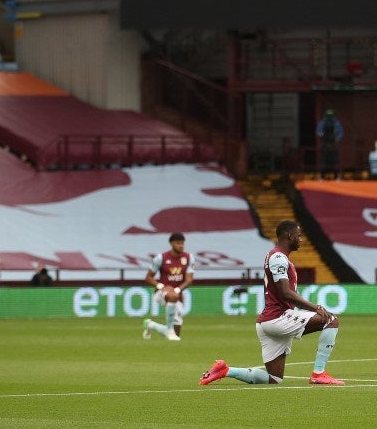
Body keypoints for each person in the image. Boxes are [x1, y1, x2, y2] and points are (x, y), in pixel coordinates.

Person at [199, 219, 344, 386]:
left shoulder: (279, 258)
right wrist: (315, 307)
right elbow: (285, 293)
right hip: (277, 318)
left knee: (273, 379)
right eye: (299, 235)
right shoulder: (278, 258)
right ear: (290, 236)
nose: (301, 239)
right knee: (331, 320)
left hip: (267, 323)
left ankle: (225, 370)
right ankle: (319, 373)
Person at [142, 232, 194, 341]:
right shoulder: (161, 258)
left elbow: (189, 279)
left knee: (176, 334)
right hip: (160, 293)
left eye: (182, 243)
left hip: (177, 293)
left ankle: (151, 325)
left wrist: (177, 290)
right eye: (178, 243)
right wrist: (161, 286)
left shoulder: (189, 258)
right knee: (172, 296)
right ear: (171, 244)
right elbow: (148, 277)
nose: (181, 245)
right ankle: (169, 330)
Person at [316, 108, 344, 179]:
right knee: (335, 161)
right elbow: (341, 134)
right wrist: (336, 139)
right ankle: (337, 177)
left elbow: (318, 133)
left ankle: (322, 177)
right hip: (333, 145)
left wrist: (323, 137)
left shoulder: (322, 122)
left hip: (324, 145)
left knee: (323, 160)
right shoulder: (337, 122)